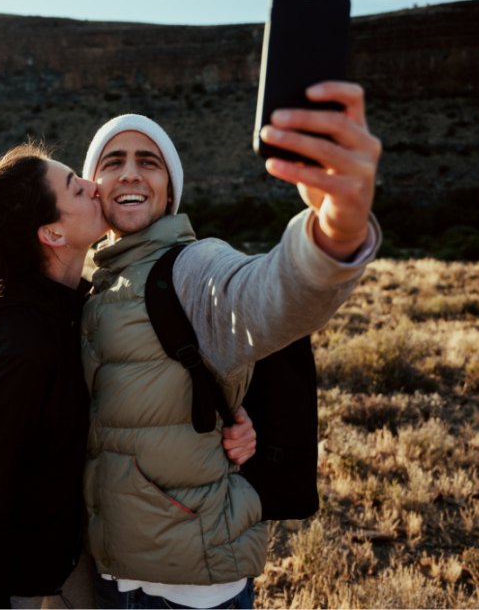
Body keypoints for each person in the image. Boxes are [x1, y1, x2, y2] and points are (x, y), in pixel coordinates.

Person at [80, 82, 383, 609]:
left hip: (189, 589)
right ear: (94, 187)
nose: (130, 173)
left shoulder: (190, 267)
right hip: (111, 576)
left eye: (149, 162)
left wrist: (336, 230)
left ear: (170, 192)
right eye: (113, 161)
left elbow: (267, 296)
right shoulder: (99, 288)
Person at [0, 143, 257, 609]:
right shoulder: (17, 344)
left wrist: (234, 420)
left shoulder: (77, 312)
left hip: (77, 566)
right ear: (53, 233)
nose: (93, 185)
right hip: (21, 589)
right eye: (75, 187)